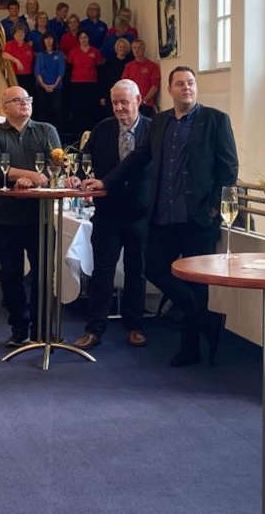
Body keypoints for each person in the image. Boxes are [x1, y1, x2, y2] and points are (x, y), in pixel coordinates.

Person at [84, 66, 238, 367]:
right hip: (163, 216)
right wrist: (106, 182)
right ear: (170, 89)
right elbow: (138, 157)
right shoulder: (161, 122)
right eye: (180, 84)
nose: (186, 88)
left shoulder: (216, 120)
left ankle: (190, 347)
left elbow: (229, 170)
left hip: (198, 219)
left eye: (191, 83)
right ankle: (206, 319)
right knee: (154, 268)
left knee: (196, 283)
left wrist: (212, 209)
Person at [73, 80, 151, 350]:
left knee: (136, 271)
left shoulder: (153, 130)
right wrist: (80, 179)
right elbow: (84, 162)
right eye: (115, 102)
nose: (119, 108)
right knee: (102, 272)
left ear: (138, 100)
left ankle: (135, 326)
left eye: (124, 102)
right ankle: (94, 329)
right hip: (107, 212)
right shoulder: (103, 129)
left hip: (141, 212)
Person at [0, 86, 61, 347]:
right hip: (6, 216)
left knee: (42, 274)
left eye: (27, 99)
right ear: (5, 108)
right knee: (12, 275)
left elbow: (56, 164)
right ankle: (19, 328)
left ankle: (42, 329)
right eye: (17, 100)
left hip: (41, 216)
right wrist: (25, 176)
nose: (24, 104)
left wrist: (39, 178)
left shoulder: (47, 130)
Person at [67, 31, 104, 135]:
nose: (84, 40)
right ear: (78, 39)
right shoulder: (73, 52)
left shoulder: (95, 52)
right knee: (78, 110)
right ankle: (78, 134)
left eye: (86, 37)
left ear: (89, 39)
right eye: (81, 37)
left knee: (90, 109)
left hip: (91, 84)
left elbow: (100, 71)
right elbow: (69, 70)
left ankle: (91, 134)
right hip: (76, 84)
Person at [34, 32, 66, 129]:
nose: (48, 41)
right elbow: (37, 72)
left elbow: (61, 71)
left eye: (50, 39)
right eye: (46, 39)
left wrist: (54, 85)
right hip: (42, 87)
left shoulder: (59, 54)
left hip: (56, 87)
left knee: (56, 110)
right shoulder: (40, 55)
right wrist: (44, 85)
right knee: (42, 111)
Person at [122, 39, 161, 116]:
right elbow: (125, 85)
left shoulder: (152, 66)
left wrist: (144, 100)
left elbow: (155, 86)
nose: (137, 50)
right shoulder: (128, 66)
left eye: (139, 47)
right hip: (132, 104)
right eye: (134, 48)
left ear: (144, 49)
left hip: (146, 104)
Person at [98, 37, 133, 119]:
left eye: (124, 47)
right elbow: (103, 80)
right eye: (120, 47)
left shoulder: (131, 62)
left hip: (125, 93)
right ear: (116, 48)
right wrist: (102, 96)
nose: (122, 49)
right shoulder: (109, 62)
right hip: (110, 92)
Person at [3, 23, 36, 96]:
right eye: (18, 32)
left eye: (22, 32)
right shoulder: (10, 44)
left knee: (27, 96)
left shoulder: (28, 46)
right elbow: (4, 54)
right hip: (15, 76)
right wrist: (17, 61)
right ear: (14, 34)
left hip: (28, 76)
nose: (20, 34)